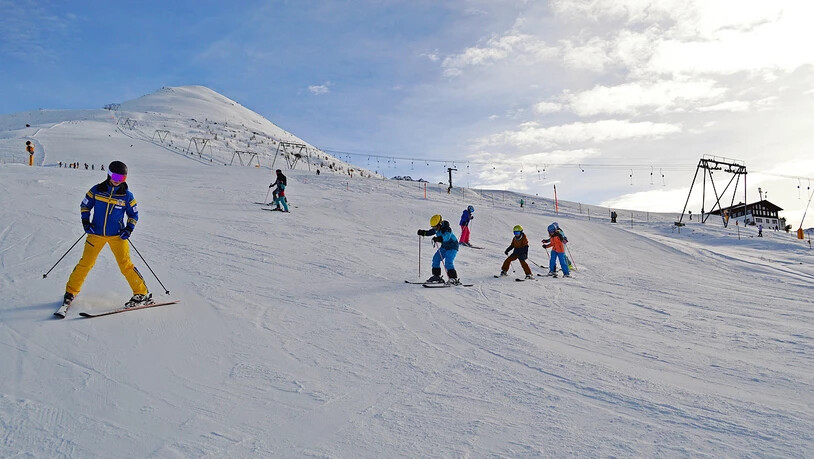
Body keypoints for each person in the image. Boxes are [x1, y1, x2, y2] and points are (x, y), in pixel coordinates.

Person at [63, 161, 152, 308]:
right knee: (85, 263)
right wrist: (86, 222)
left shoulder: (127, 196)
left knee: (126, 265)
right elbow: (85, 205)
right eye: (116, 176)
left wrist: (128, 229)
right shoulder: (97, 190)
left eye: (122, 178)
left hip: (118, 236)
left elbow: (134, 214)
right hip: (95, 234)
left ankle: (141, 293)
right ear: (109, 174)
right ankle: (70, 292)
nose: (118, 181)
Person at [417, 214, 461, 285]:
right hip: (444, 247)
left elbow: (446, 237)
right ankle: (437, 276)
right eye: (433, 227)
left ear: (440, 224)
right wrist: (423, 232)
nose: (435, 228)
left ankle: (453, 279)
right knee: (436, 258)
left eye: (435, 227)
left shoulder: (447, 229)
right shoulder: (436, 228)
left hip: (453, 246)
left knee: (448, 262)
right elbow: (430, 232)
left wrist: (438, 239)